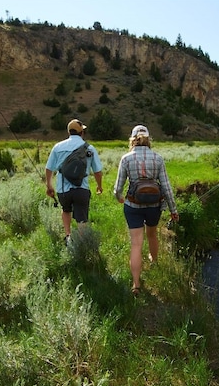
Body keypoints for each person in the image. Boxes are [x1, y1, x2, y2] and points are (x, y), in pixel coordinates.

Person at [113, 124, 180, 295]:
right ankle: (154, 261)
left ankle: (136, 285)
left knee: (136, 244)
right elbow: (166, 187)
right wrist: (173, 210)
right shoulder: (158, 158)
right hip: (153, 207)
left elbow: (117, 188)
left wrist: (119, 198)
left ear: (132, 139)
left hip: (133, 206)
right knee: (152, 234)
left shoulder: (126, 159)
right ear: (149, 139)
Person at [45, 119, 103, 245]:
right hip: (82, 188)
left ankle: (68, 237)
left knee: (66, 210)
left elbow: (49, 168)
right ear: (82, 132)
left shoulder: (58, 147)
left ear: (69, 132)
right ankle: (82, 243)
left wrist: (49, 186)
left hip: (63, 189)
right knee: (82, 217)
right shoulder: (89, 148)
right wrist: (99, 186)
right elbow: (98, 171)